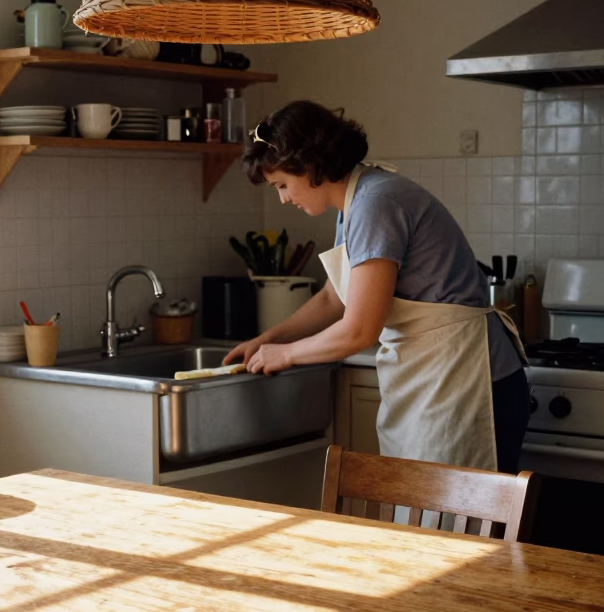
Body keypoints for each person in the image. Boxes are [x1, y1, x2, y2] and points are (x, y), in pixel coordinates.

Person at [223, 100, 530, 474]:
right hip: (435, 376)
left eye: (283, 185)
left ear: (311, 165)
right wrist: (268, 339)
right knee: (424, 519)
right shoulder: (354, 205)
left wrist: (285, 355)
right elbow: (333, 299)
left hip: (468, 380)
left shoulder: (375, 203)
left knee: (452, 526)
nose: (284, 198)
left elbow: (359, 330)